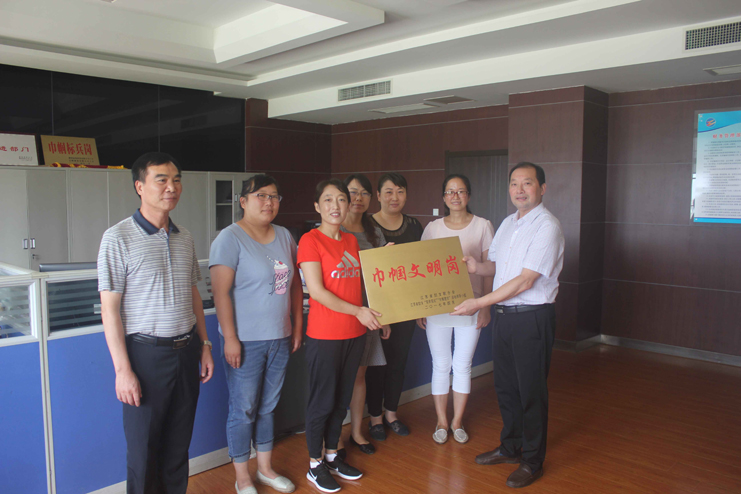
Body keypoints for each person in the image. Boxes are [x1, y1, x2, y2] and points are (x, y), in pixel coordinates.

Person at [98, 152, 215, 494]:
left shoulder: (184, 236)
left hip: (187, 350)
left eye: (176, 180)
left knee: (178, 446)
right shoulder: (117, 238)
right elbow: (110, 311)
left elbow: (193, 294)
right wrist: (123, 370)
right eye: (161, 180)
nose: (171, 187)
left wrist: (205, 344)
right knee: (143, 451)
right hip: (146, 356)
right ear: (140, 186)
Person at [451, 162, 564, 489]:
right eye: (514, 183)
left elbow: (526, 280)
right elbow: (496, 266)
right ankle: (511, 446)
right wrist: (476, 267)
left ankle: (533, 461)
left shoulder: (547, 227)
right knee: (506, 387)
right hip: (504, 317)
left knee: (531, 391)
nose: (519, 190)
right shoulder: (507, 223)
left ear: (542, 188)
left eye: (527, 183)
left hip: (532, 318)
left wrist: (479, 303)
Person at [209, 174, 302, 494]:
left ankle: (265, 469)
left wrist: (296, 326)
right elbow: (220, 293)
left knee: (268, 407)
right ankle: (243, 477)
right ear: (243, 201)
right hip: (245, 340)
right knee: (244, 409)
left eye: (274, 196)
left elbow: (295, 284)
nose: (268, 202)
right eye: (261, 195)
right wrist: (230, 338)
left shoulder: (284, 235)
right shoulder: (229, 238)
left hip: (279, 336)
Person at [298, 179, 383, 493]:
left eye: (341, 200)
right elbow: (317, 292)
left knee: (341, 400)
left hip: (355, 333)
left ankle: (332, 455)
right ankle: (314, 464)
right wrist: (358, 311)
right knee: (321, 401)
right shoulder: (310, 240)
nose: (335, 206)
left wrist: (375, 312)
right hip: (325, 335)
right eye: (328, 200)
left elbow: (362, 282)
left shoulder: (350, 241)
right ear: (317, 206)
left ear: (348, 205)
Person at [418, 174, 494, 445]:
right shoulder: (432, 228)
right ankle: (441, 421)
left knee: (462, 366)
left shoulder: (483, 226)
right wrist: (420, 307)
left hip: (471, 305)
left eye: (461, 191)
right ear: (443, 197)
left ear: (469, 195)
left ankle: (457, 422)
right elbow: (421, 269)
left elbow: (490, 269)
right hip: (437, 305)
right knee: (440, 364)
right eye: (450, 192)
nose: (455, 196)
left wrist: (485, 306)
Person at [366, 172, 423, 439]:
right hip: (376, 309)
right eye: (388, 192)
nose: (394, 197)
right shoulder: (367, 225)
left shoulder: (414, 226)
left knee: (398, 362)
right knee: (377, 365)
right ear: (378, 195)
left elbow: (421, 266)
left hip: (406, 305)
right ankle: (374, 417)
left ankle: (391, 413)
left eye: (400, 191)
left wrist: (421, 307)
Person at [338, 174, 391, 456]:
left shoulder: (374, 232)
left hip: (369, 314)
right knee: (339, 377)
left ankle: (357, 432)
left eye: (364, 193)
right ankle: (335, 436)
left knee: (360, 375)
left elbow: (381, 279)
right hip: (341, 312)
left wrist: (386, 316)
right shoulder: (333, 230)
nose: (358, 198)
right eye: (353, 192)